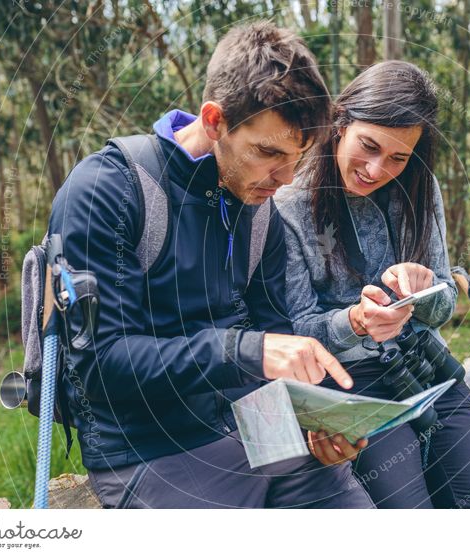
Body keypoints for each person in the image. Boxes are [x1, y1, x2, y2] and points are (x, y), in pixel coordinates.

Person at [48, 22, 374, 509]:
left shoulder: (261, 211)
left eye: (296, 159)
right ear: (215, 120)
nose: (284, 180)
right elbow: (98, 367)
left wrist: (316, 420)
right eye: (268, 153)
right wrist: (241, 349)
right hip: (149, 450)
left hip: (260, 428)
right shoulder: (109, 190)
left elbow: (273, 331)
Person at [274, 60, 470, 509]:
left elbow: (445, 302)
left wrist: (423, 291)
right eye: (367, 146)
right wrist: (355, 321)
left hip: (429, 371)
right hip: (354, 389)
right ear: (340, 123)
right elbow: (291, 333)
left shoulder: (420, 186)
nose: (375, 169)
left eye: (397, 158)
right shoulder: (288, 202)